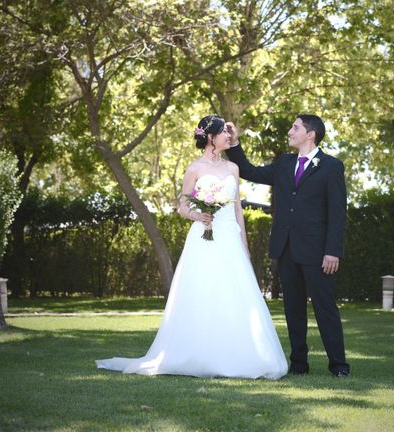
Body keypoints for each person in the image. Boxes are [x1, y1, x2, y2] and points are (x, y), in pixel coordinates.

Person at [96, 115, 288, 380]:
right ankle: (199, 354)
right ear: (211, 137)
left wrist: (243, 243)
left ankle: (242, 354)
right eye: (224, 133)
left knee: (235, 293)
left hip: (229, 237)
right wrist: (199, 215)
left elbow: (236, 209)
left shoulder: (233, 168)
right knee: (204, 291)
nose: (228, 137)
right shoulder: (194, 169)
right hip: (203, 237)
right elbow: (182, 207)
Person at [226, 115, 350, 377]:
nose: (290, 131)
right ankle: (299, 363)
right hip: (286, 248)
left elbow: (338, 213)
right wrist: (234, 145)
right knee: (293, 309)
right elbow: (249, 171)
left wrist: (333, 251)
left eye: (296, 127)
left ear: (311, 134)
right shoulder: (284, 163)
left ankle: (339, 365)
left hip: (318, 253)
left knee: (325, 308)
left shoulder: (331, 167)